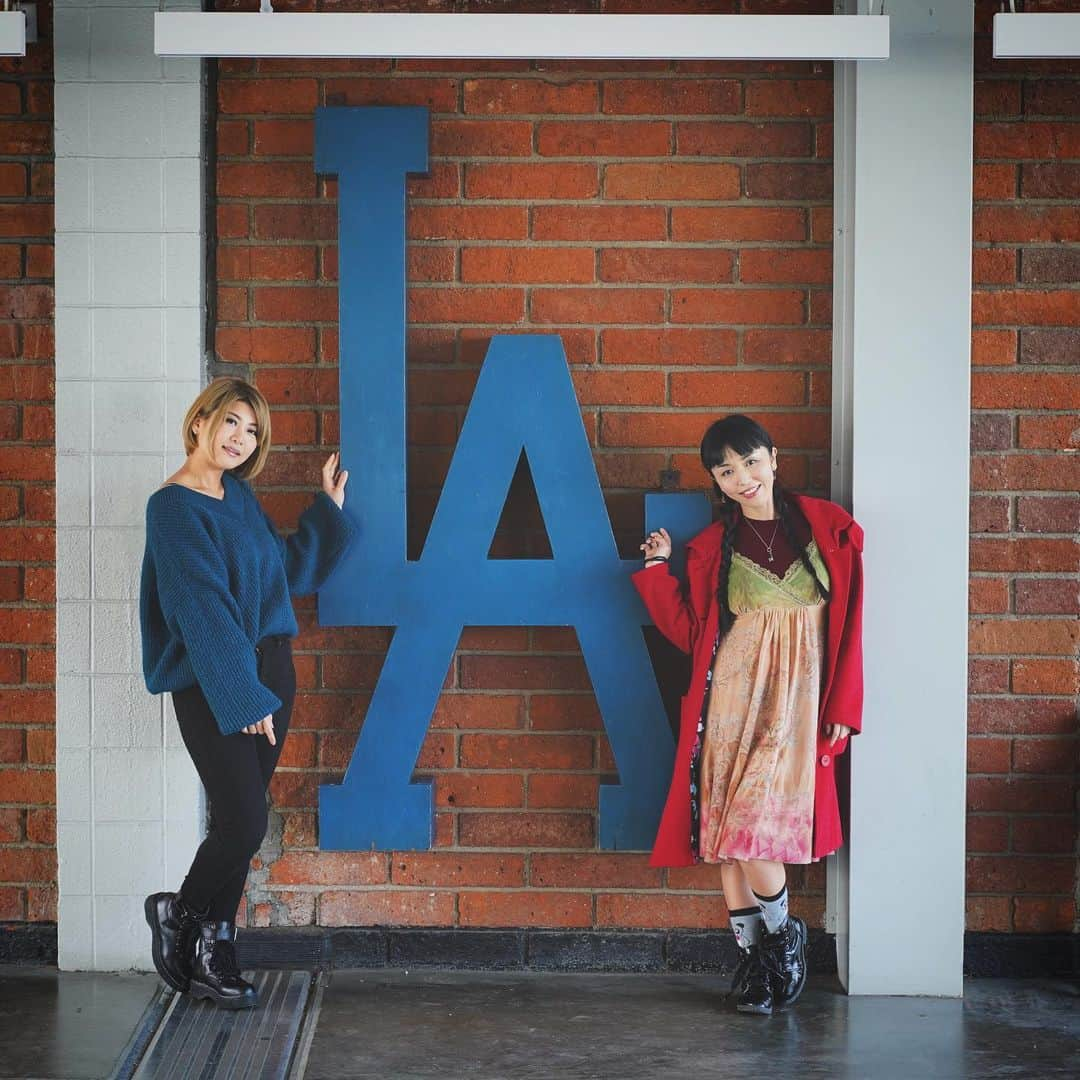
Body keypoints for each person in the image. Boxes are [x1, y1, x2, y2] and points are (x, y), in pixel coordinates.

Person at [634, 414, 863, 1015]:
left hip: (795, 705)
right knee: (728, 843)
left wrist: (845, 703)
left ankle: (786, 944)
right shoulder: (714, 548)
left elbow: (852, 627)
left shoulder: (829, 530)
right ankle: (757, 965)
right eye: (726, 471)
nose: (743, 478)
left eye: (751, 462)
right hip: (728, 706)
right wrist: (659, 573)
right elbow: (691, 634)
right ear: (716, 479)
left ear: (774, 457)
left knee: (752, 831)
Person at [139, 377, 355, 1009]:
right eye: (231, 421)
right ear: (200, 421)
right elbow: (201, 608)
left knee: (242, 819)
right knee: (246, 819)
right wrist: (245, 694)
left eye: (253, 429)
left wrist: (329, 512)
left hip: (271, 669)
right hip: (218, 679)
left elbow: (280, 574)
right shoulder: (173, 507)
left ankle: (215, 949)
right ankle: (178, 913)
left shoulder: (237, 496)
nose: (240, 438)